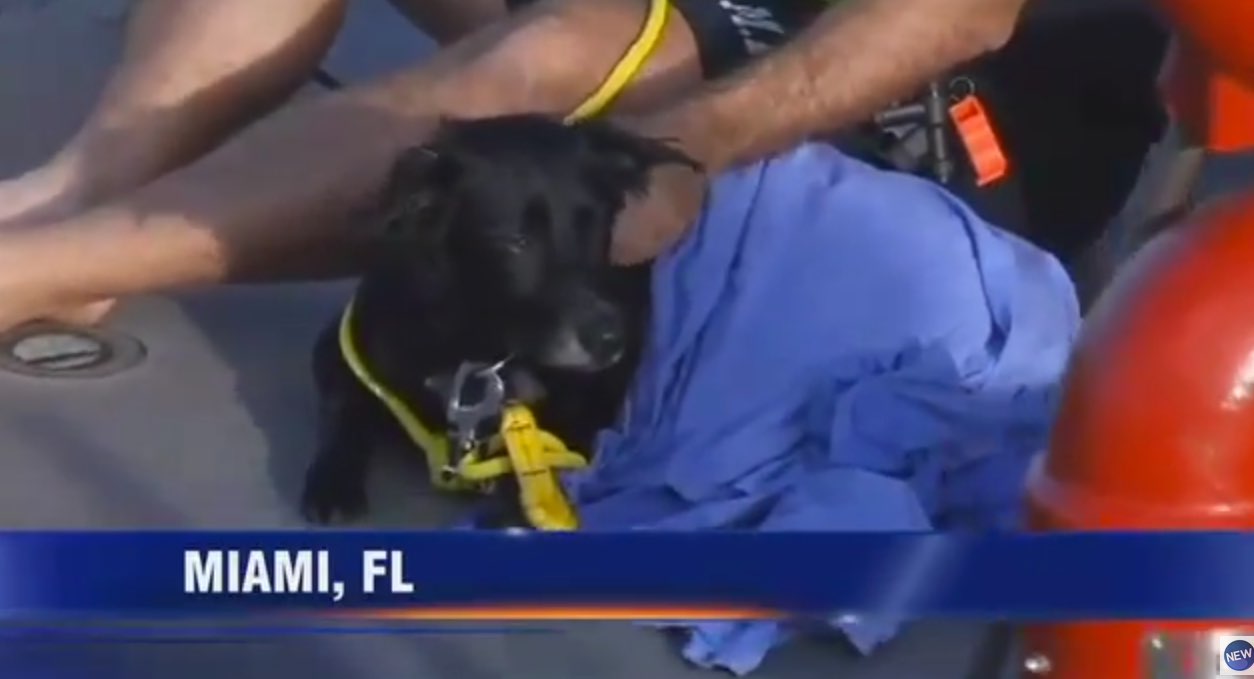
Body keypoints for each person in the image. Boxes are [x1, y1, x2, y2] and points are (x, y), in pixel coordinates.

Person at [0, 0, 1026, 332]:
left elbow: (962, 13)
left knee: (550, 58)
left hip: (921, 109)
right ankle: (82, 195)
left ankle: (41, 272)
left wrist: (692, 147)